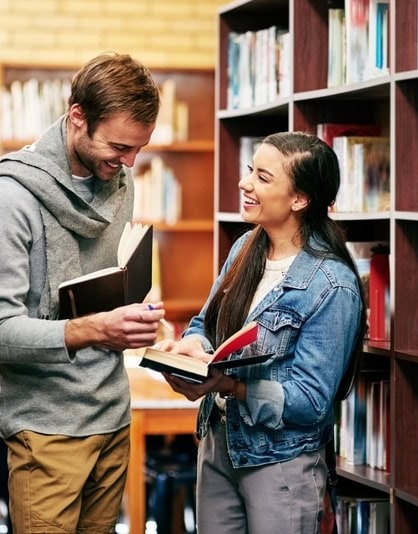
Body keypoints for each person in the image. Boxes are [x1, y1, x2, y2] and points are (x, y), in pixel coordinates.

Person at [0, 51, 168, 533]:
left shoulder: (118, 179)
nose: (130, 163)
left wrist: (134, 313)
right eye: (119, 146)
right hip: (46, 428)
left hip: (113, 415)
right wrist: (94, 329)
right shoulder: (9, 197)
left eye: (139, 149)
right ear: (77, 117)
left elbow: (102, 283)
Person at [156, 131, 367, 533]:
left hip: (280, 463)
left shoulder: (333, 285)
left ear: (300, 199)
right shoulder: (244, 250)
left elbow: (311, 401)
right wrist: (190, 351)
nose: (245, 183)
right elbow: (205, 324)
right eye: (251, 170)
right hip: (219, 445)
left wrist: (230, 385)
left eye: (263, 178)